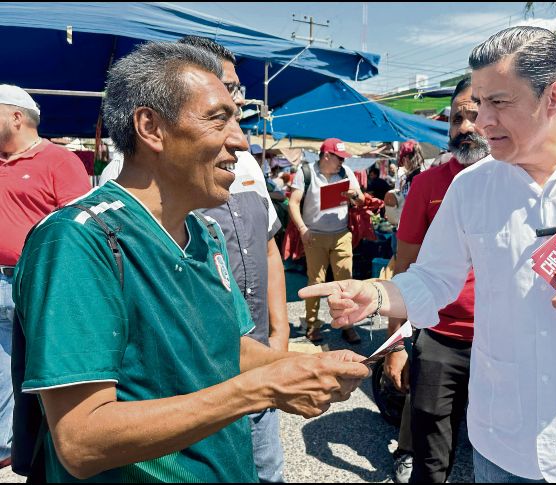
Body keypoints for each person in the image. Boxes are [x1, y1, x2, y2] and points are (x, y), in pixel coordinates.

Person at [299, 26, 556, 483]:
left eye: (498, 102)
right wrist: (376, 296)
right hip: (503, 441)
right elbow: (435, 279)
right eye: (478, 103)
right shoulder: (471, 186)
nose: (480, 122)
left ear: (554, 96)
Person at [12, 41, 369, 483]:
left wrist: (299, 365)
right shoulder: (78, 240)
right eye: (219, 118)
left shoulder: (206, 233)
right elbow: (81, 441)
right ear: (151, 128)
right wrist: (261, 389)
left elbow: (226, 348)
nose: (240, 141)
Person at [179, 35, 289, 484]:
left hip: (258, 355)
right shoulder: (143, 178)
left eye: (238, 91)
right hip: (196, 378)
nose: (239, 101)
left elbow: (267, 247)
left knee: (267, 472)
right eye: (227, 91)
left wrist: (280, 339)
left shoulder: (244, 163)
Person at [385, 76, 491, 484]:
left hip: (500, 342)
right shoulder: (427, 185)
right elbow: (404, 267)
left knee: (500, 456)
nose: (463, 127)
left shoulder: (518, 181)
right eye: (455, 118)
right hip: (440, 339)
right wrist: (396, 345)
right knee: (430, 461)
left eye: (474, 115)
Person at [0, 84, 91, 468]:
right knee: (5, 372)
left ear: (16, 117)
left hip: (34, 283)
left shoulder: (59, 161)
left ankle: (33, 449)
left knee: (35, 369)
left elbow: (78, 227)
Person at [287, 138, 365, 344]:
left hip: (341, 235)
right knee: (316, 282)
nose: (342, 162)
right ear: (326, 156)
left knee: (346, 282)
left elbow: (361, 200)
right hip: (314, 236)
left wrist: (354, 195)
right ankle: (312, 325)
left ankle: (347, 324)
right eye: (339, 158)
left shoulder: (346, 173)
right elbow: (293, 203)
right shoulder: (306, 172)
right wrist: (303, 229)